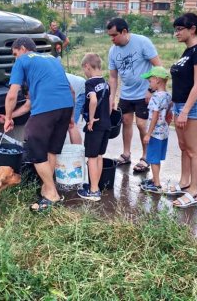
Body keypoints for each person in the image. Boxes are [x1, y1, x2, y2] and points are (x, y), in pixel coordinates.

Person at [4, 37, 73, 212]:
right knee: (51, 149)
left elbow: (12, 95)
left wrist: (7, 118)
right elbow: (70, 89)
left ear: (22, 49)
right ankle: (47, 187)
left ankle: (52, 194)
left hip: (47, 109)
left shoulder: (22, 61)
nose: (15, 58)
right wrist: (70, 115)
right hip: (66, 106)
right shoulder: (52, 59)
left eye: (15, 54)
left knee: (34, 147)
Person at [107, 17, 162, 173]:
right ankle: (126, 154)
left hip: (144, 93)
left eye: (114, 35)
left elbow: (158, 67)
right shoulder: (113, 51)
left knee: (141, 124)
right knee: (126, 121)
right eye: (110, 36)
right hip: (126, 93)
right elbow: (113, 77)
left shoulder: (142, 42)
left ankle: (146, 157)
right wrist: (112, 98)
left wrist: (151, 90)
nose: (112, 39)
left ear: (124, 32)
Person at [169, 13, 197, 208]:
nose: (176, 33)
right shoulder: (187, 51)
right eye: (175, 29)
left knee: (194, 150)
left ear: (192, 29)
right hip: (179, 105)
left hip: (192, 107)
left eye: (180, 29)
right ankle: (184, 182)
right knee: (183, 146)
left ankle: (194, 191)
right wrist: (174, 106)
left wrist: (185, 111)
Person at [77, 53, 111, 201]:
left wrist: (90, 120)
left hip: (95, 126)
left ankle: (93, 191)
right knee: (99, 156)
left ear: (87, 66)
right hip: (106, 124)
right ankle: (96, 185)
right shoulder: (106, 83)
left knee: (91, 157)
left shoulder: (90, 83)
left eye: (84, 70)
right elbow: (109, 103)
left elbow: (93, 100)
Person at [138, 67, 172, 194]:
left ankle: (156, 184)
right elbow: (169, 111)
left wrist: (148, 134)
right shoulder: (168, 96)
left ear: (157, 80)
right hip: (164, 132)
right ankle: (154, 178)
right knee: (156, 157)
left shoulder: (155, 97)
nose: (149, 83)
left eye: (150, 80)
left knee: (153, 159)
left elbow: (155, 116)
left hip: (155, 133)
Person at [65, 72, 86, 144]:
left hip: (81, 91)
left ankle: (77, 151)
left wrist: (71, 115)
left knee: (72, 124)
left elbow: (72, 93)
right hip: (76, 87)